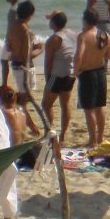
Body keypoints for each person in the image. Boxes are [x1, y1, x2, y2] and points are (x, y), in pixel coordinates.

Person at [74, 8, 110, 150]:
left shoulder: (83, 36)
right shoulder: (105, 35)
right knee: (99, 107)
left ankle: (92, 140)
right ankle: (100, 137)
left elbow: (79, 55)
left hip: (87, 74)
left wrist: (76, 70)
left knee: (88, 109)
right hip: (100, 72)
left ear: (85, 20)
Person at [42, 10, 77, 143]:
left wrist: (47, 80)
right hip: (70, 73)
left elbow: (48, 63)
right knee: (65, 104)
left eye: (51, 20)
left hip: (57, 75)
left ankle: (50, 131)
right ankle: (63, 135)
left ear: (54, 23)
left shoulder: (53, 39)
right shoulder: (73, 34)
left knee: (46, 104)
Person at [7, 0, 43, 127]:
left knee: (24, 97)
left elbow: (9, 47)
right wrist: (41, 49)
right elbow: (27, 56)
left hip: (16, 64)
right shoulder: (25, 30)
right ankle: (31, 127)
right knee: (24, 99)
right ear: (30, 15)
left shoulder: (12, 26)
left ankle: (28, 125)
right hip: (25, 67)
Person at [1, 0, 21, 87]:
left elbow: (12, 27)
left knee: (4, 61)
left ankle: (4, 83)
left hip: (11, 39)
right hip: (15, 39)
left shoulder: (13, 10)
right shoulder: (17, 8)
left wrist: (9, 40)